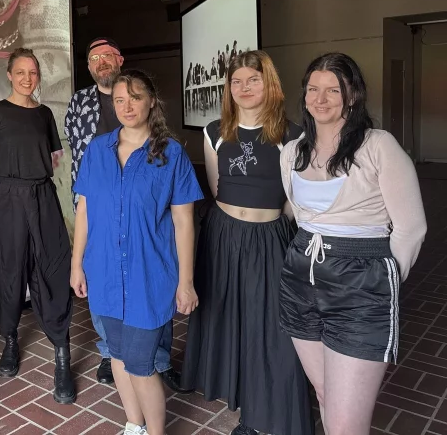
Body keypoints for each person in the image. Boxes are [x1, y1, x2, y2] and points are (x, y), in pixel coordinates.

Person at [279, 52, 427, 435]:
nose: (321, 98)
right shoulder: (292, 152)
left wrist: (382, 283)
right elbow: (300, 216)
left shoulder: (378, 146)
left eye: (333, 90)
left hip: (361, 288)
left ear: (353, 96)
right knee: (326, 396)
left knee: (346, 424)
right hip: (299, 280)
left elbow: (411, 229)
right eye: (313, 89)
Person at [180, 50, 313, 435]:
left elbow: (294, 199)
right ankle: (244, 408)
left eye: (252, 80)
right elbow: (216, 188)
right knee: (230, 321)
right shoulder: (212, 132)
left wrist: (270, 230)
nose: (243, 88)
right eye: (236, 81)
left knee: (271, 329)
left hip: (269, 240)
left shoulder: (292, 135)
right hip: (222, 240)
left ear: (268, 83)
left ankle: (267, 413)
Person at [70, 69, 203, 435]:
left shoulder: (171, 154)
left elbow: (184, 223)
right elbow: (85, 209)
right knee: (116, 354)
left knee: (141, 364)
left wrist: (186, 282)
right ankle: (134, 425)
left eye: (135, 97)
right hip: (105, 272)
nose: (127, 106)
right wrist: (76, 264)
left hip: (149, 275)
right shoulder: (98, 149)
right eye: (119, 100)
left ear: (151, 101)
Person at [64, 36, 185, 392]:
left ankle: (155, 361)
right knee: (106, 285)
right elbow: (76, 155)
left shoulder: (153, 126)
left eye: (107, 56)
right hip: (98, 207)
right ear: (88, 68)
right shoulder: (79, 103)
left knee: (152, 285)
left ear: (120, 60)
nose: (100, 62)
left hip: (142, 207)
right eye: (93, 58)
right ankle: (111, 352)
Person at [0, 47, 75, 404]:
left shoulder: (45, 113)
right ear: (9, 74)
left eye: (33, 72)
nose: (27, 78)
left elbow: (51, 156)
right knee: (9, 269)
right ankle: (9, 340)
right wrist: (6, 193)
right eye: (21, 72)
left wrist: (30, 186)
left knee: (53, 265)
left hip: (42, 195)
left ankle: (61, 352)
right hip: (5, 197)